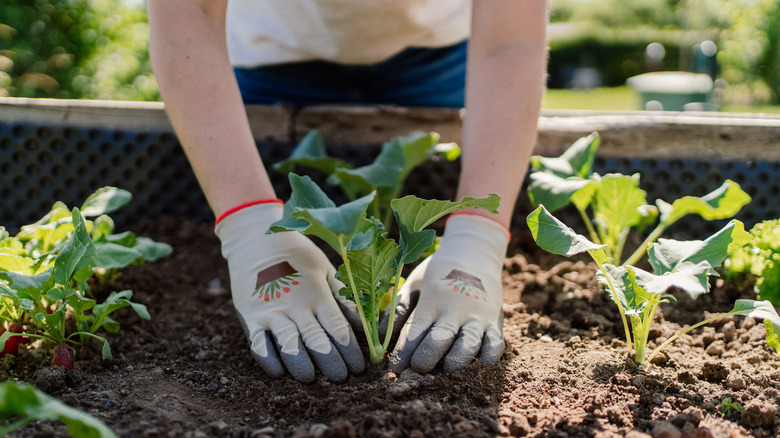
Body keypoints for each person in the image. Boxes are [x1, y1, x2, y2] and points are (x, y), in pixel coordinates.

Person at [147, 0, 548, 384]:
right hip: (272, 59)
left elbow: (511, 37)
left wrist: (478, 240)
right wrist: (250, 230)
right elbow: (188, 10)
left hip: (439, 60)